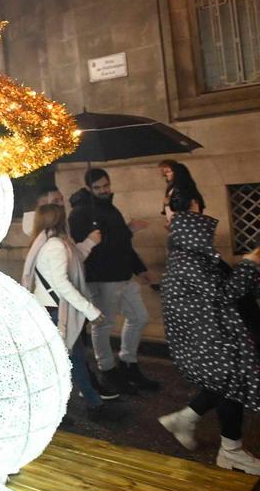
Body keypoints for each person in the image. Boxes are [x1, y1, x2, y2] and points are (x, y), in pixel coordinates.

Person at [157, 191, 260, 473]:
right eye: (199, 211)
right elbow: (225, 292)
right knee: (231, 382)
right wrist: (251, 263)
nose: (204, 218)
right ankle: (230, 450)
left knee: (228, 381)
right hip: (209, 337)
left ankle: (188, 420)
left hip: (212, 334)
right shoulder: (187, 255)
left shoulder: (191, 251)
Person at [68, 168, 160, 395]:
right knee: (103, 324)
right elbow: (87, 248)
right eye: (97, 188)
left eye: (105, 186)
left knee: (139, 317)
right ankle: (107, 368)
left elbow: (123, 245)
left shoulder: (110, 208)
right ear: (89, 188)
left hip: (123, 274)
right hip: (102, 277)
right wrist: (127, 231)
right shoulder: (80, 212)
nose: (103, 191)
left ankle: (128, 363)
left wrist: (140, 269)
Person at [21, 203, 114, 418]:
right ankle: (59, 411)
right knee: (62, 362)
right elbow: (62, 284)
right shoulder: (55, 246)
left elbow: (72, 263)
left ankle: (92, 404)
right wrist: (91, 310)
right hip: (55, 312)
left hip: (51, 310)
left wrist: (90, 242)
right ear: (60, 220)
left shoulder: (52, 243)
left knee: (74, 358)